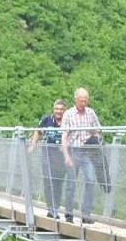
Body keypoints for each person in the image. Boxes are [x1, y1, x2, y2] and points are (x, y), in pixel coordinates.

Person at [61, 88, 102, 224]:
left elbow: (97, 130)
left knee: (90, 180)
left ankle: (86, 214)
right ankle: (69, 213)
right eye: (81, 101)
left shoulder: (91, 113)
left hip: (87, 152)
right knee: (71, 183)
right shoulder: (68, 114)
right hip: (73, 151)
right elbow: (64, 136)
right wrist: (66, 155)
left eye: (85, 101)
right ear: (76, 100)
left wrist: (94, 140)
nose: (83, 103)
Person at [28, 98, 66, 218]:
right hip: (48, 154)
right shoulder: (47, 120)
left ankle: (55, 207)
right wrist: (33, 146)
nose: (58, 111)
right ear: (53, 109)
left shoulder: (68, 121)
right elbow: (38, 132)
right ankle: (51, 209)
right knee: (48, 181)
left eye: (61, 109)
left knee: (58, 183)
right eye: (56, 109)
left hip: (62, 156)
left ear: (65, 110)